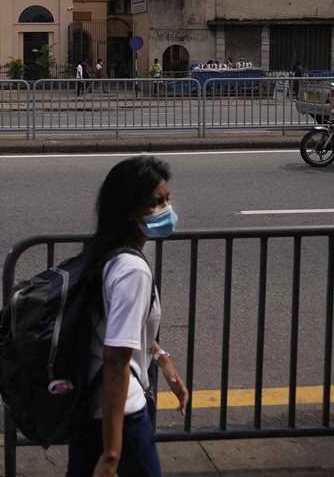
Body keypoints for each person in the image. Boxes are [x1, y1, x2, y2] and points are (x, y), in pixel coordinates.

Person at [67, 156, 189, 477]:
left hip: (90, 406)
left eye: (167, 199)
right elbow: (116, 360)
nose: (166, 209)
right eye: (156, 202)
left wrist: (163, 360)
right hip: (121, 415)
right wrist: (111, 455)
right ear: (130, 210)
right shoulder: (132, 269)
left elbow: (119, 327)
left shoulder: (104, 251)